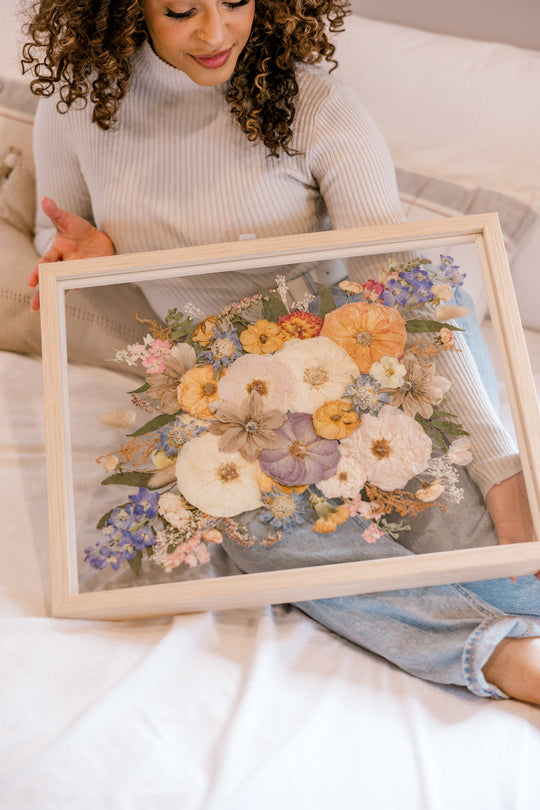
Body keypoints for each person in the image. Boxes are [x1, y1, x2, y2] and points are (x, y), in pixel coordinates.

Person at [23, 0, 540, 703]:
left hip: (371, 359)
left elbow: (397, 286)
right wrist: (89, 253)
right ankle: (499, 658)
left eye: (234, 0)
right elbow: (56, 236)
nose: (213, 32)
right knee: (246, 525)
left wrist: (502, 469)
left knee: (507, 569)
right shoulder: (78, 107)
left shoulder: (317, 107)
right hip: (230, 397)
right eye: (180, 11)